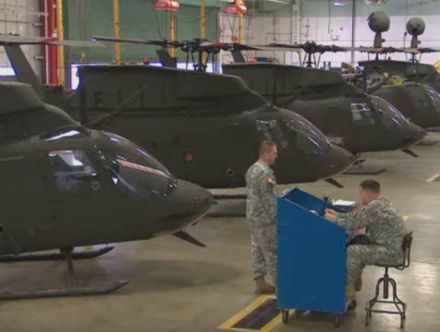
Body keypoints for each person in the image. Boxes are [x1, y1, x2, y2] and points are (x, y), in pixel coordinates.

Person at [325, 179, 407, 302]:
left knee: (353, 251)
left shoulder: (374, 207)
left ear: (366, 192)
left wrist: (331, 220)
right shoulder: (381, 203)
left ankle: (348, 287)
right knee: (360, 240)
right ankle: (356, 277)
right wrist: (337, 215)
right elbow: (358, 217)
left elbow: (356, 223)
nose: (359, 196)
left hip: (391, 253)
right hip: (392, 248)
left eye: (360, 192)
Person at [245, 139, 278, 294]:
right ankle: (281, 285)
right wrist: (277, 216)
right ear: (265, 153)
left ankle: (260, 282)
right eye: (274, 153)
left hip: (253, 216)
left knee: (257, 249)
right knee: (272, 251)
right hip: (265, 219)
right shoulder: (266, 173)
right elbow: (268, 199)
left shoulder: (251, 169)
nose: (275, 157)